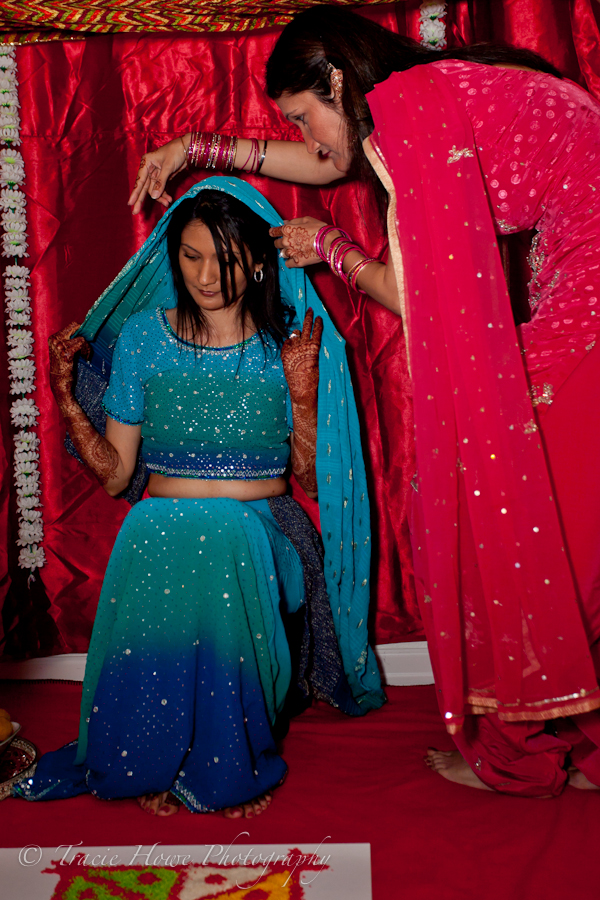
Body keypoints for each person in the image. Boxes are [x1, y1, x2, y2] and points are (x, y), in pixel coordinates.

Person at [127, 6, 600, 797]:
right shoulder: (433, 91)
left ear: (337, 82)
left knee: (510, 521)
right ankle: (580, 746)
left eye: (306, 115)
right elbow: (328, 164)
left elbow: (418, 296)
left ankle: (523, 752)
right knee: (578, 536)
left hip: (582, 319)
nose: (309, 138)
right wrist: (195, 147)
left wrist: (330, 249)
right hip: (576, 302)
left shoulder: (411, 115)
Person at [14, 178, 384, 817]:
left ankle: (226, 755)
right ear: (171, 258)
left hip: (261, 529)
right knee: (153, 524)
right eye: (191, 256)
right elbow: (114, 474)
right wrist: (68, 401)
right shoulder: (141, 339)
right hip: (169, 527)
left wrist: (300, 396)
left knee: (217, 530)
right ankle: (152, 753)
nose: (208, 275)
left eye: (227, 257)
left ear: (260, 261)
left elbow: (313, 477)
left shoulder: (290, 343)